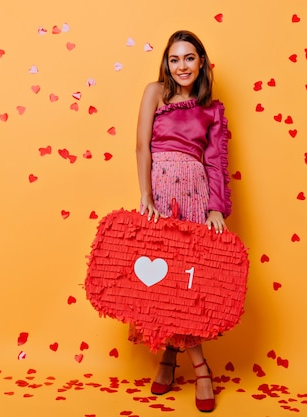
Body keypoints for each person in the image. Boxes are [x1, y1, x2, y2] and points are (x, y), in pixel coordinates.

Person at [133, 30, 232, 412]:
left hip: (195, 195)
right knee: (160, 283)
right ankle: (200, 366)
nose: (182, 66)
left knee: (186, 282)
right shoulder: (154, 92)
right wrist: (145, 195)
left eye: (189, 58)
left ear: (202, 62)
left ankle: (169, 361)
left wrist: (214, 209)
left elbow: (216, 162)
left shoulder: (212, 109)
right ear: (166, 64)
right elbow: (142, 145)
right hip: (159, 192)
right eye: (175, 59)